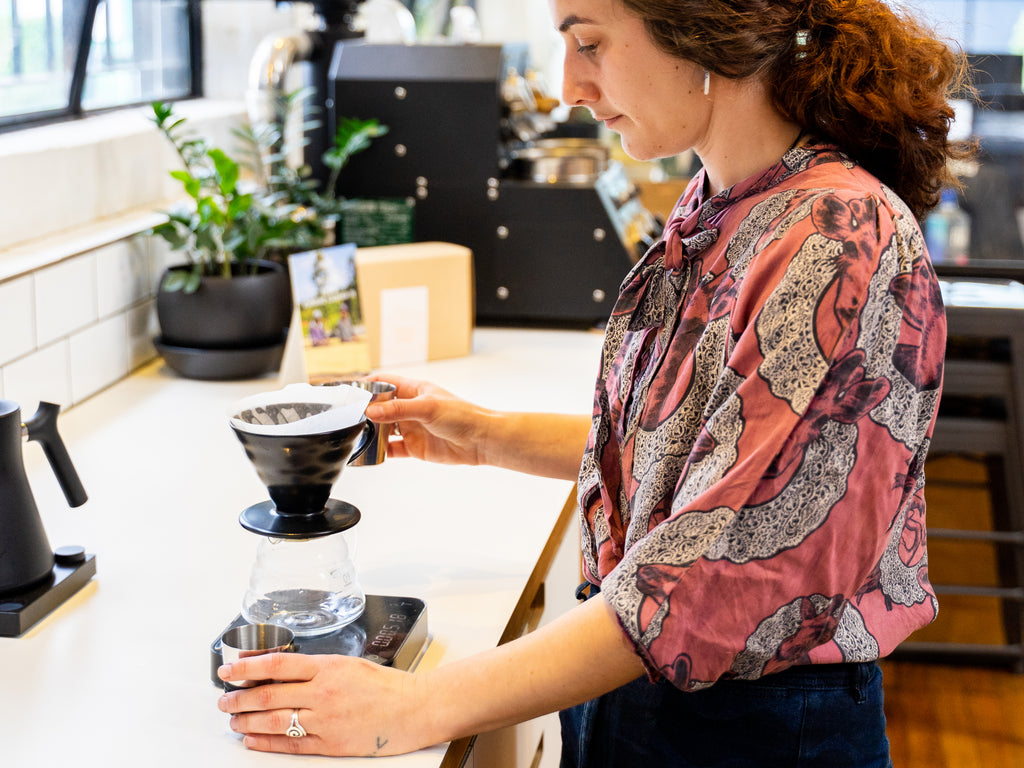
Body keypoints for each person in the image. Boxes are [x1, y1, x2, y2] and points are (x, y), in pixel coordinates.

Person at [216, 0, 972, 763]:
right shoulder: (724, 200)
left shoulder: (837, 240)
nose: (570, 85)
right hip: (636, 684)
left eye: (589, 43)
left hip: (753, 730)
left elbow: (710, 577)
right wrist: (483, 435)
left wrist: (418, 707)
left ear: (704, 32)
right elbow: (704, 463)